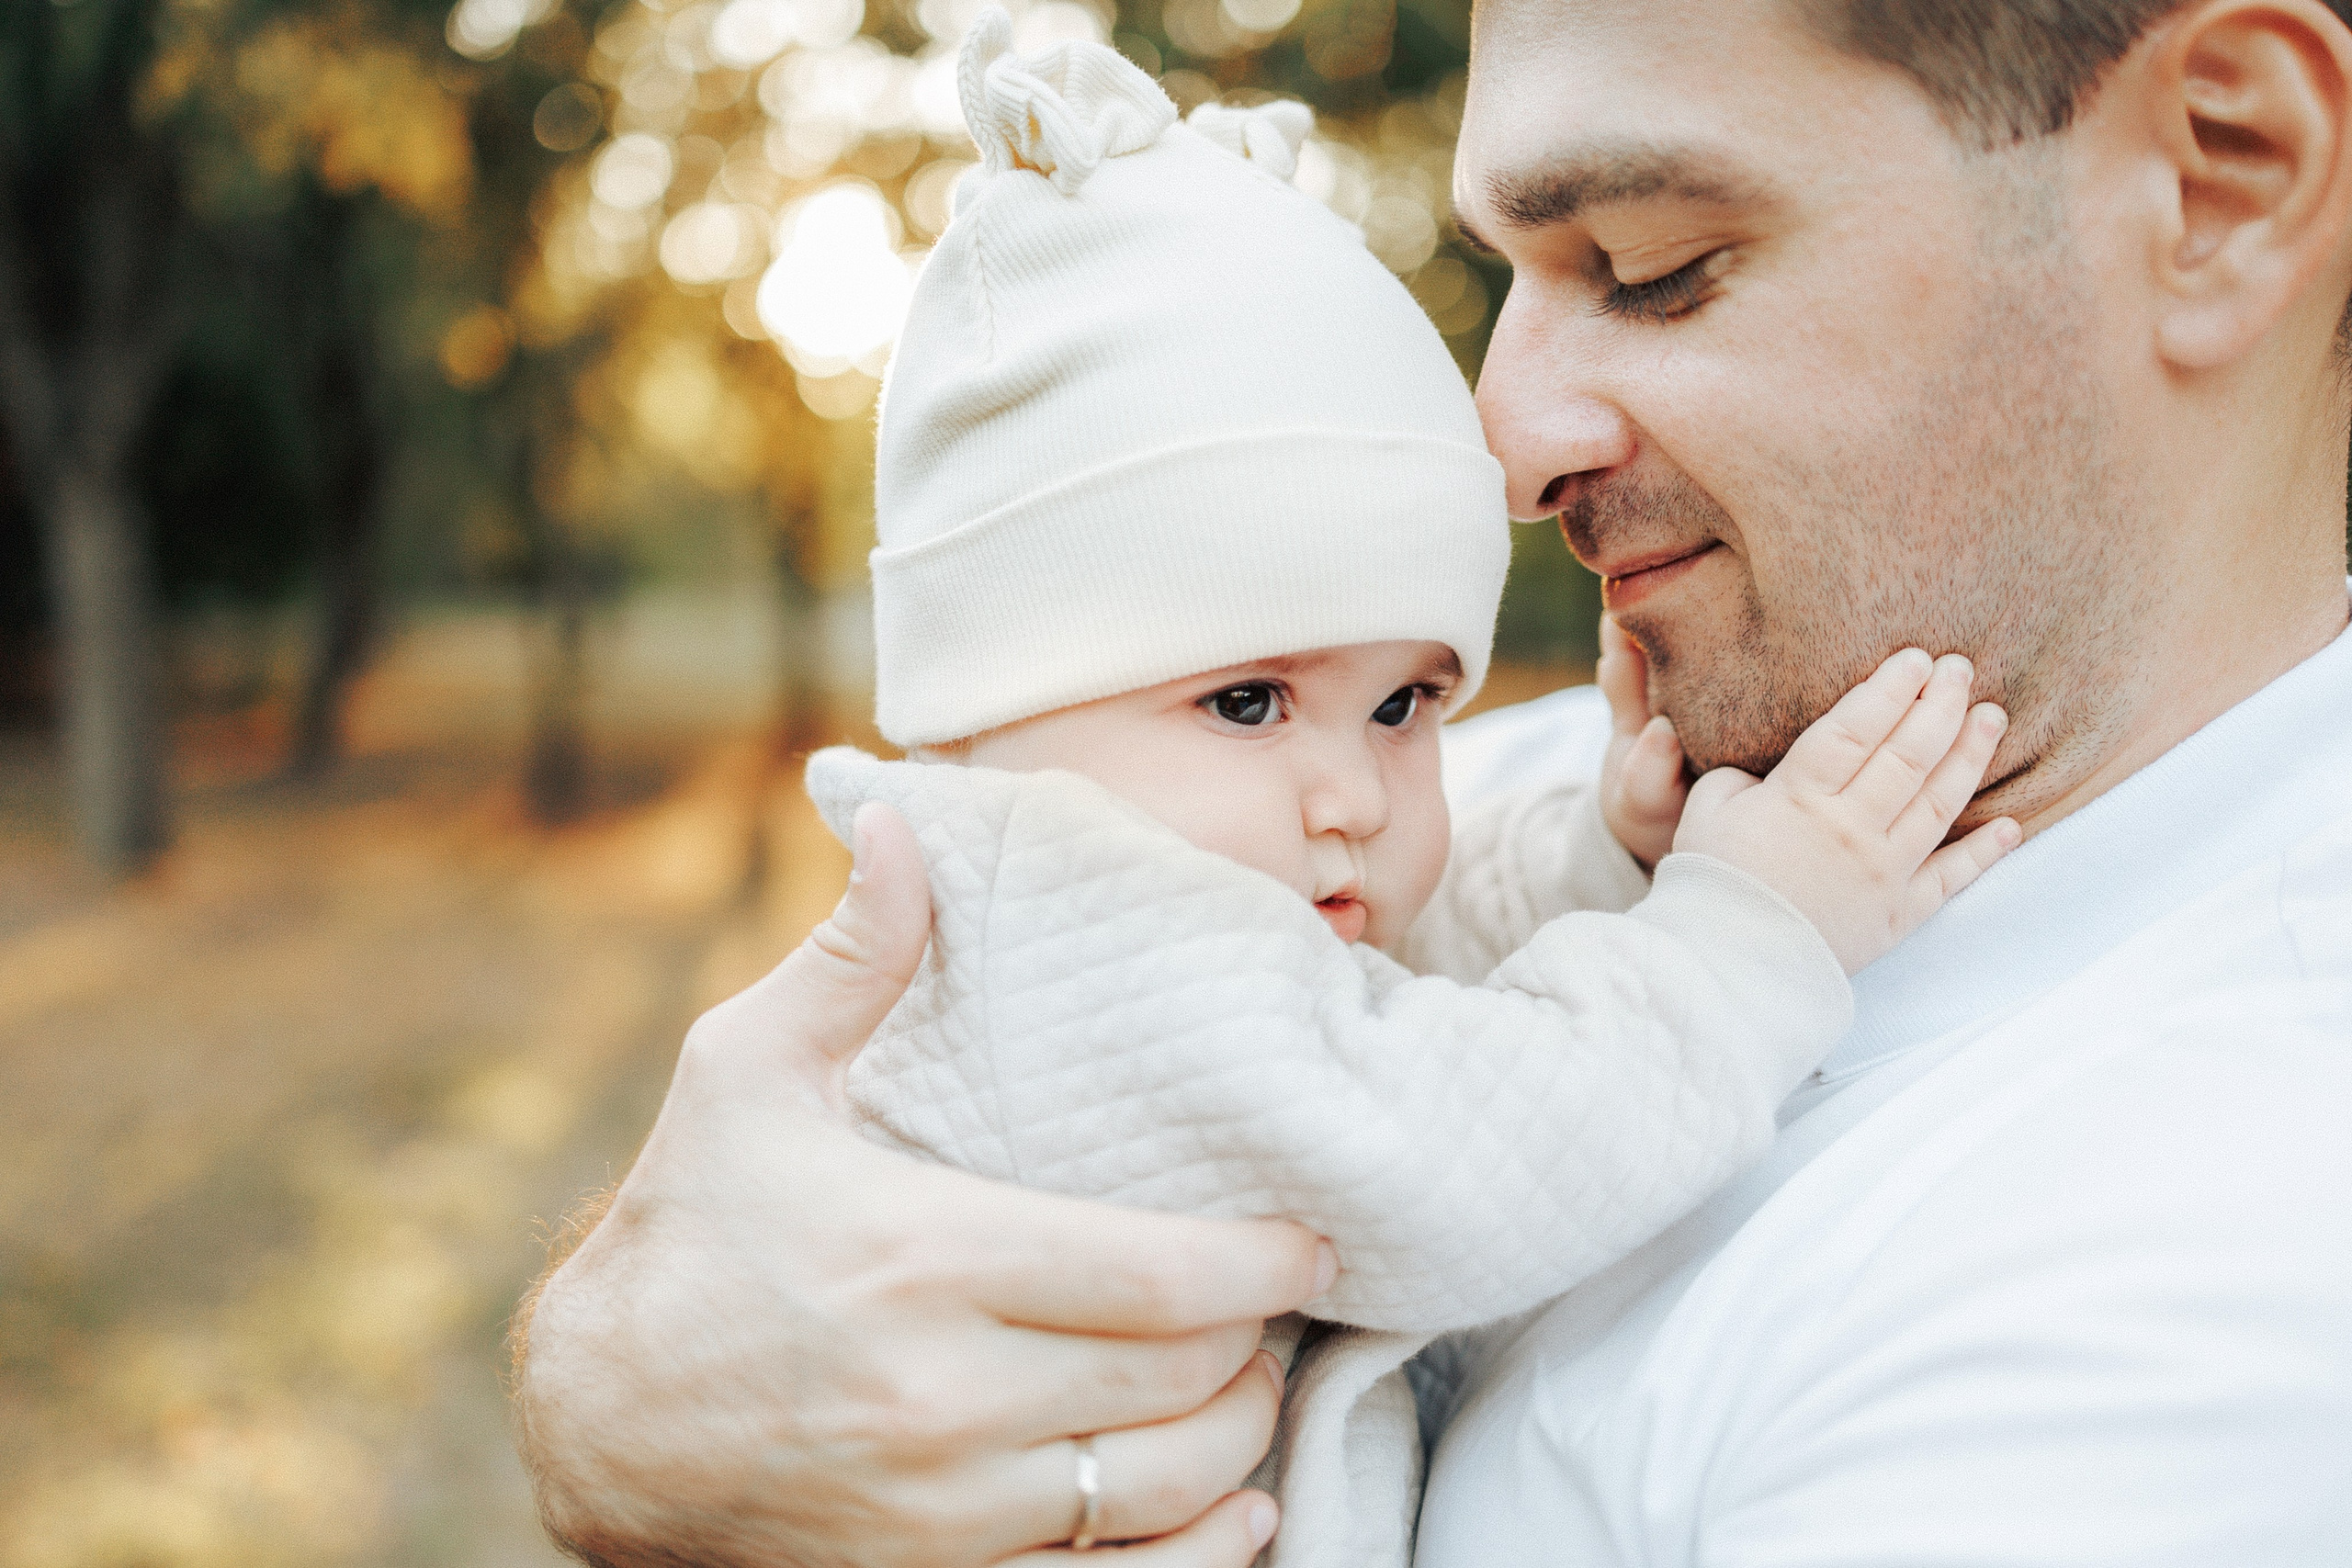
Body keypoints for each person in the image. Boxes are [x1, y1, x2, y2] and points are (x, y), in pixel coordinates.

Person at [508, 1, 2352, 1563]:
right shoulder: (1425, 807)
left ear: (2219, 174)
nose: (1501, 439)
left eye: (1652, 264)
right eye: (1250, 699)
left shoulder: (2201, 1290)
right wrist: (621, 1382)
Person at [796, 15, 2014, 1562]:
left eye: (1402, 706)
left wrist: (1597, 857)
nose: (1355, 797)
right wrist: (1746, 938)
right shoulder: (1062, 941)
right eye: (1247, 703)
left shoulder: (1189, 903)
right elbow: (1456, 1143)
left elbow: (1401, 996)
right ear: (990, 710)